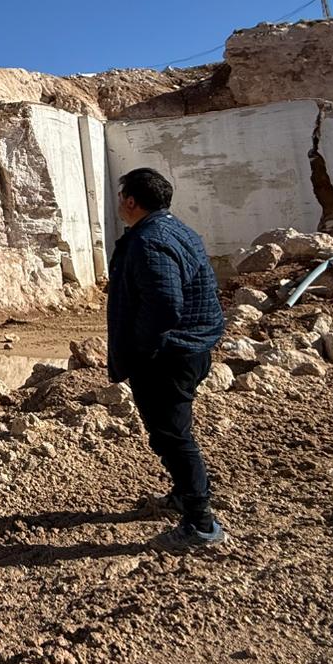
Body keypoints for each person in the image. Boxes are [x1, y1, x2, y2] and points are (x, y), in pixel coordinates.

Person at [107, 166, 227, 550]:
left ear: (130, 201)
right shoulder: (178, 230)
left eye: (121, 198)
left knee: (173, 437)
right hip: (189, 348)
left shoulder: (148, 241)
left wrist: (142, 350)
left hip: (168, 355)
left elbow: (164, 304)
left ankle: (201, 522)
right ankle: (182, 495)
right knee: (173, 432)